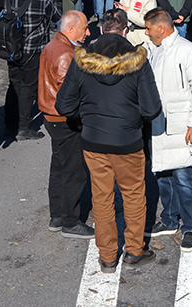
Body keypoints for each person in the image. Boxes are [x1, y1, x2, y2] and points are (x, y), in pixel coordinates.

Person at [54, 31, 161, 273]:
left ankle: (107, 257)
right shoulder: (138, 62)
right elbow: (151, 108)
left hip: (93, 142)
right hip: (128, 142)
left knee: (101, 198)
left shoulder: (83, 62)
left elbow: (64, 105)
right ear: (125, 32)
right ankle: (134, 251)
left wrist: (88, 118)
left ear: (101, 31)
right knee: (133, 196)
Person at [143, 9, 192, 252]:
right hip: (159, 125)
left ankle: (190, 226)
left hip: (181, 126)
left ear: (161, 28)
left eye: (148, 28)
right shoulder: (155, 49)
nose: (146, 33)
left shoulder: (187, 50)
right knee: (163, 176)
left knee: (183, 178)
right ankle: (170, 220)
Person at [38, 10, 93, 239]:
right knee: (75, 171)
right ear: (71, 29)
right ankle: (71, 221)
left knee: (59, 167)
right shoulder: (66, 55)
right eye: (84, 29)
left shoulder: (53, 46)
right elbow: (67, 95)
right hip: (64, 120)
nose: (87, 33)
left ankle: (58, 215)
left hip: (51, 117)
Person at [1, 0, 63, 141]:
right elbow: (57, 16)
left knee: (13, 85)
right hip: (33, 49)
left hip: (12, 47)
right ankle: (24, 127)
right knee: (28, 88)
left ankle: (9, 125)